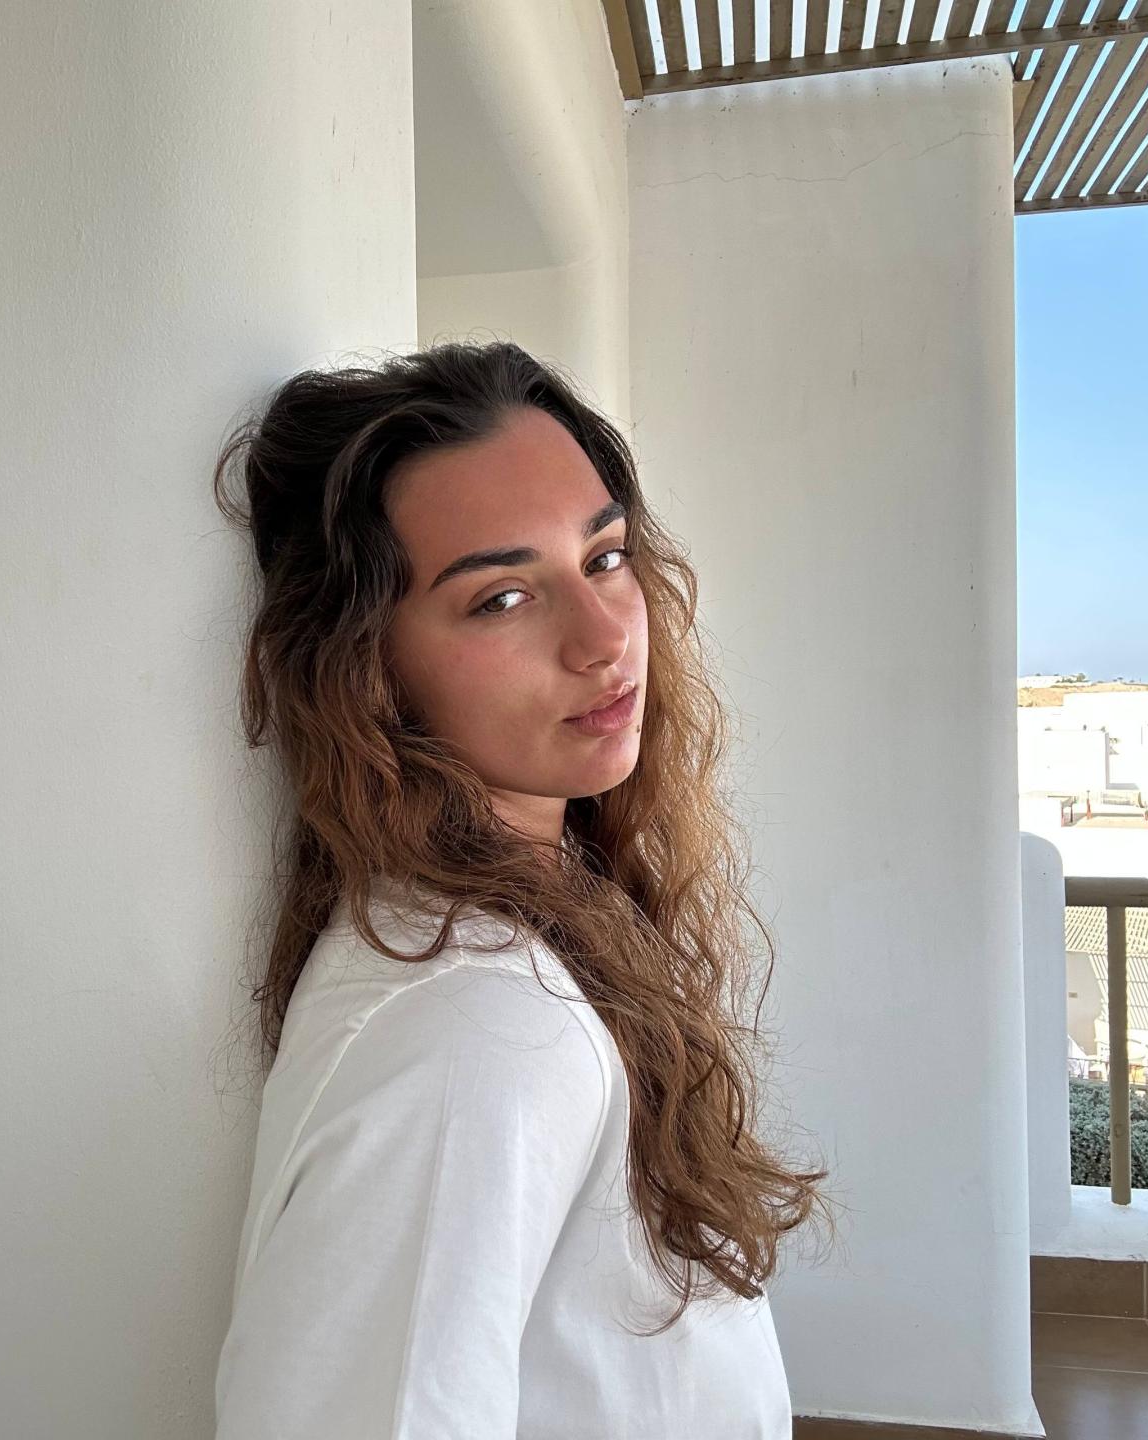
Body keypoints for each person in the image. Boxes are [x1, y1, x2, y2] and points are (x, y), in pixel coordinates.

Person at [209, 340, 834, 1438]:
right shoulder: (476, 1023)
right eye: (501, 597)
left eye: (605, 556)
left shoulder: (543, 914)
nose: (604, 638)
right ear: (367, 666)